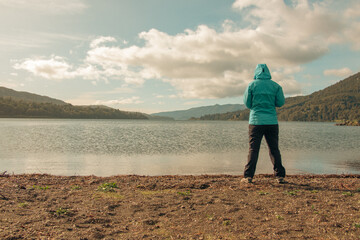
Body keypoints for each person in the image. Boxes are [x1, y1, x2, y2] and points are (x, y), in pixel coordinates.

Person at [241, 64, 286, 184]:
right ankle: (279, 176)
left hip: (255, 121)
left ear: (256, 72)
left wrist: (257, 106)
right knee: (274, 149)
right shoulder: (276, 86)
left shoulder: (251, 85)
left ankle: (248, 177)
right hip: (271, 121)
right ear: (268, 72)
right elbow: (280, 102)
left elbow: (247, 103)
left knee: (253, 149)